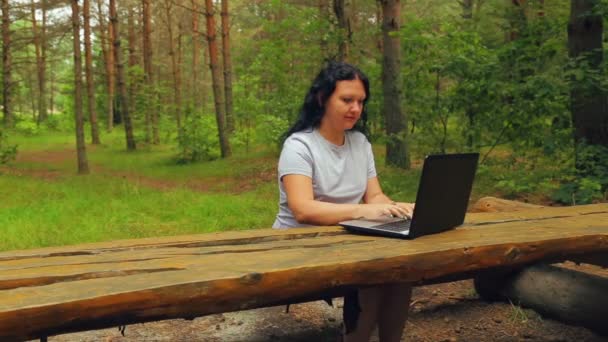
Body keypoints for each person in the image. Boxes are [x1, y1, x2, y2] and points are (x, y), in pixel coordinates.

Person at [272, 61, 414, 342]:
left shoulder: (360, 143)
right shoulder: (299, 146)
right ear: (323, 98)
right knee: (373, 272)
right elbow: (303, 209)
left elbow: (374, 195)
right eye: (347, 100)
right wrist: (367, 210)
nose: (356, 109)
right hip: (298, 243)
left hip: (348, 238)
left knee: (402, 271)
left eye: (361, 101)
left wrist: (395, 208)